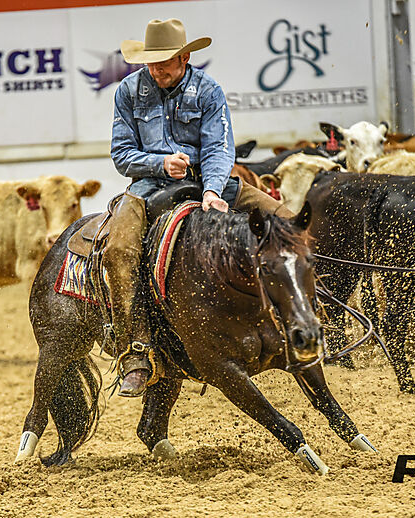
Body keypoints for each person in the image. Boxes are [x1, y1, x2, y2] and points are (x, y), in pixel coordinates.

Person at [107, 18, 292, 397]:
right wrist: (160, 163)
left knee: (288, 223)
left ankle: (306, 320)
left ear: (185, 58)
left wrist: (211, 190)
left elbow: (219, 148)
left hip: (211, 181)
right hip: (149, 187)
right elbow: (121, 154)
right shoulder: (128, 91)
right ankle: (136, 352)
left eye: (164, 62)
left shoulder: (208, 90)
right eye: (151, 63)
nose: (156, 70)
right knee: (118, 250)